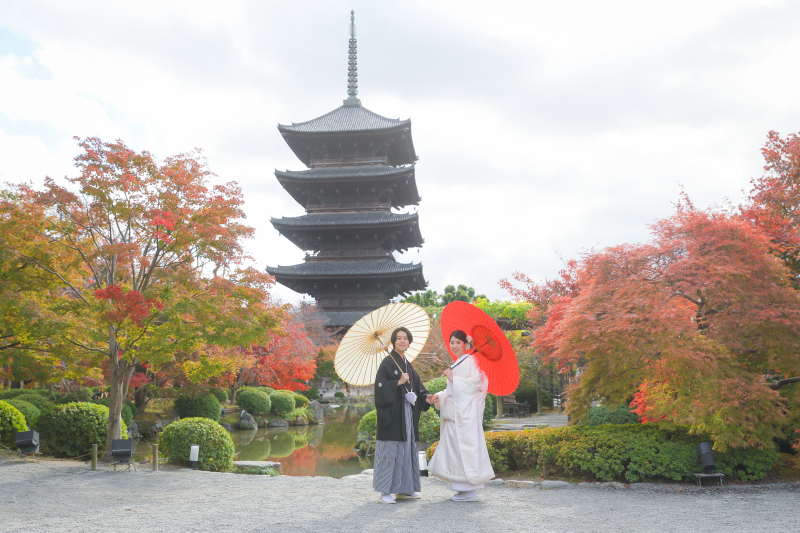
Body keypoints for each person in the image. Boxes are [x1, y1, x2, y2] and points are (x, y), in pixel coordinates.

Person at [426, 329, 495, 501]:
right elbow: (452, 392)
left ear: (465, 344)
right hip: (455, 415)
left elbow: (474, 385)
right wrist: (440, 395)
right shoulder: (458, 362)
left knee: (462, 451)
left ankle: (469, 490)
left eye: (458, 342)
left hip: (463, 417)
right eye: (452, 342)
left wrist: (453, 379)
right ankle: (462, 489)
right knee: (454, 452)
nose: (455, 345)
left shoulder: (470, 360)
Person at [372, 327, 431, 504]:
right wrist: (397, 382)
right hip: (393, 414)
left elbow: (418, 387)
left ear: (409, 341)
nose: (402, 341)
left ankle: (405, 489)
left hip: (408, 414)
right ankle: (385, 491)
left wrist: (425, 397)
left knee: (406, 451)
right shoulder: (387, 363)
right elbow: (380, 389)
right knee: (391, 451)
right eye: (399, 338)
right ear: (393, 342)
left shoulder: (407, 364)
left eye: (405, 338)